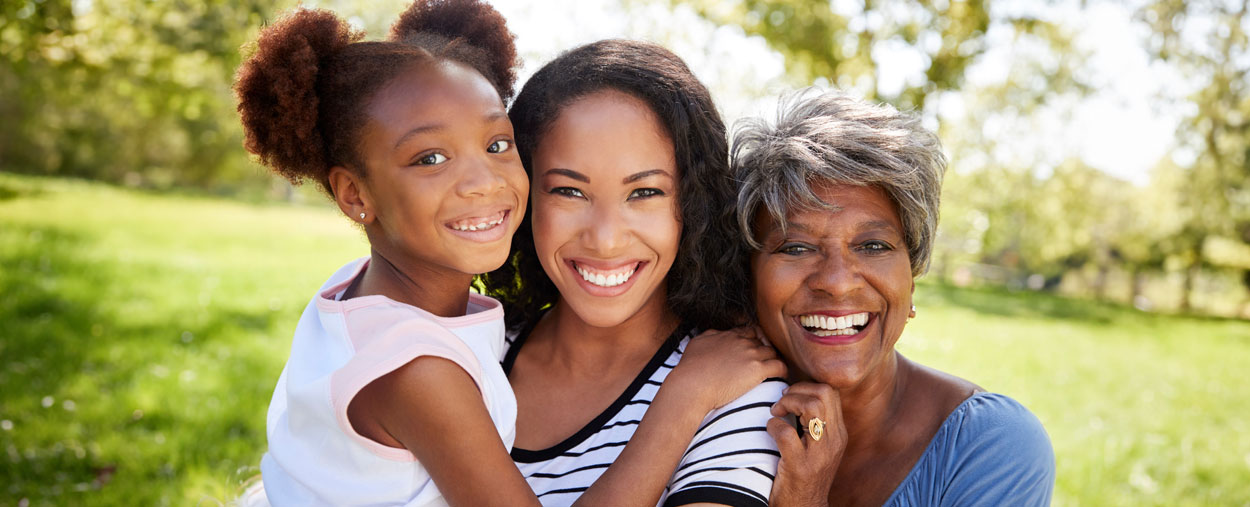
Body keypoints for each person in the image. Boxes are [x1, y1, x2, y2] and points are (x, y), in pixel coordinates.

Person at [237, 3, 781, 505]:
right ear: (354, 194)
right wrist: (681, 401)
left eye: (497, 146)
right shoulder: (418, 366)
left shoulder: (356, 300)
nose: (481, 182)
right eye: (430, 157)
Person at [483, 39, 789, 507]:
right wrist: (678, 404)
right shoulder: (472, 354)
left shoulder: (735, 384)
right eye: (569, 191)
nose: (605, 239)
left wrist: (690, 394)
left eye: (644, 193)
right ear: (525, 194)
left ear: (692, 203)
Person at [730, 89, 1055, 506]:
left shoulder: (992, 446)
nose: (838, 282)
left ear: (912, 277)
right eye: (796, 247)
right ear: (747, 277)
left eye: (873, 246)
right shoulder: (713, 419)